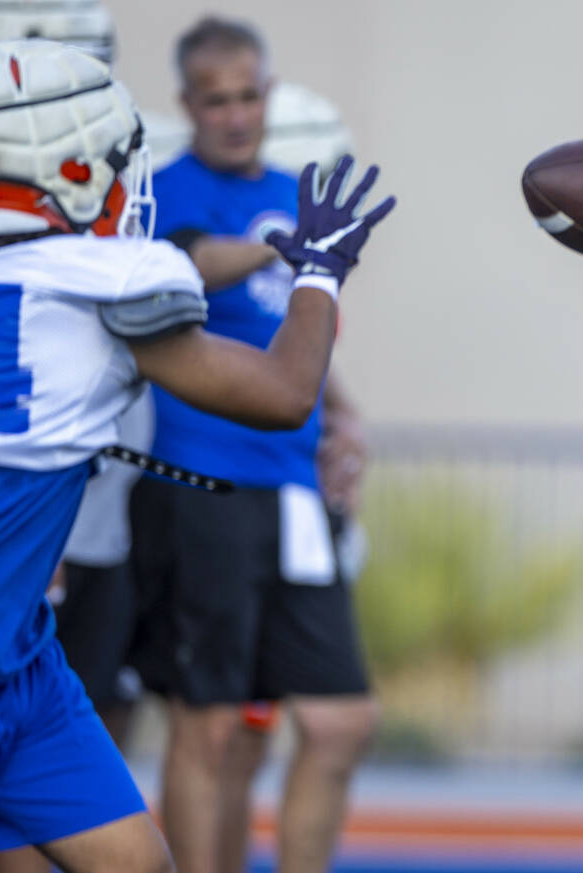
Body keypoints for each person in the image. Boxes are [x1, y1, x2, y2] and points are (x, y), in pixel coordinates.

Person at [0, 36, 394, 873]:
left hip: (20, 657)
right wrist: (319, 272)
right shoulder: (99, 280)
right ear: (69, 169)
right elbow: (286, 391)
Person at [126, 16, 380, 873]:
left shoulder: (289, 188)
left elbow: (296, 331)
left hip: (296, 493)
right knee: (210, 727)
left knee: (341, 720)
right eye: (216, 99)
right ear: (188, 105)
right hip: (203, 485)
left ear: (268, 95)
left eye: (248, 95)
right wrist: (286, 247)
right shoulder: (164, 190)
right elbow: (187, 264)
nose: (235, 113)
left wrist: (344, 413)